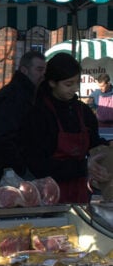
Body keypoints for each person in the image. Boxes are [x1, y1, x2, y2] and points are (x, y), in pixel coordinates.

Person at [22, 53, 109, 204]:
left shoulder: (83, 111)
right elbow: (38, 164)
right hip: (48, 194)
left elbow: (94, 143)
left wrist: (107, 147)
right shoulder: (39, 113)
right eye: (69, 84)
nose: (74, 89)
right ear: (52, 83)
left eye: (77, 83)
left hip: (80, 193)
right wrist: (83, 167)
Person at [0, 50, 46, 184]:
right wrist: (21, 168)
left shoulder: (23, 94)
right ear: (24, 70)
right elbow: (2, 138)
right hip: (8, 174)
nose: (42, 74)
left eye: (44, 70)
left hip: (10, 170)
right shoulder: (13, 97)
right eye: (39, 69)